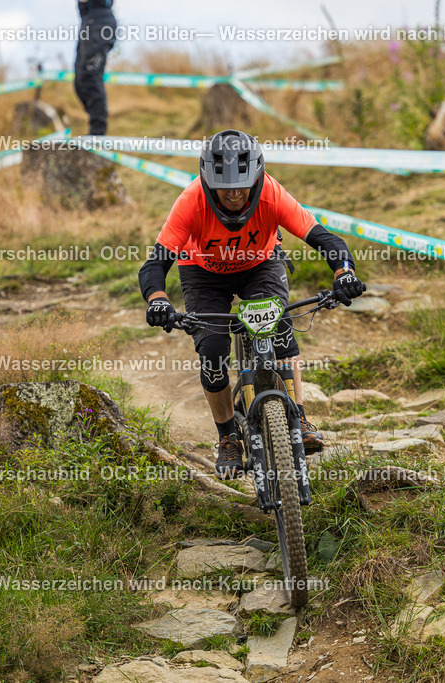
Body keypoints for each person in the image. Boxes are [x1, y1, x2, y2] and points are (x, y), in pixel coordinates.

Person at [138, 130, 366, 478]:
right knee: (213, 352)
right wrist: (158, 301)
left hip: (260, 265)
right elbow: (155, 264)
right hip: (203, 273)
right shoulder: (191, 201)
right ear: (207, 184)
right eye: (223, 188)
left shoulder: (272, 194)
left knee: (279, 327)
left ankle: (299, 416)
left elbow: (323, 238)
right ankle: (228, 436)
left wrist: (344, 273)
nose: (232, 195)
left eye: (241, 187)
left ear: (256, 178)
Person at [74, 0, 117, 135]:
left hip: (100, 22)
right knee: (80, 81)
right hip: (88, 22)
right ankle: (95, 122)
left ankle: (98, 131)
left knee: (90, 75)